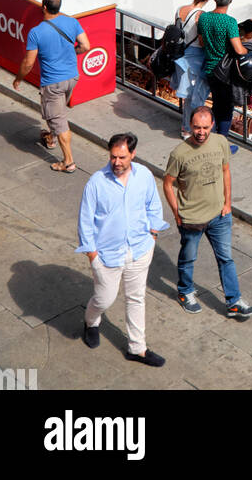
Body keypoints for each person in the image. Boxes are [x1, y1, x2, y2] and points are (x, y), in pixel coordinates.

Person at [77, 132, 168, 365]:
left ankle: (137, 348)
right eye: (113, 157)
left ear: (133, 154)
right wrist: (92, 255)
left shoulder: (144, 176)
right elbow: (85, 221)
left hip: (140, 250)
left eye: (122, 157)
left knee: (136, 298)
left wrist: (153, 234)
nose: (117, 162)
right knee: (104, 299)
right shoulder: (96, 182)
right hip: (107, 255)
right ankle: (91, 321)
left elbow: (153, 206)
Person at [162, 107, 252, 319]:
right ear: (190, 126)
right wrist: (177, 214)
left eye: (205, 127)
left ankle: (234, 302)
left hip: (219, 215)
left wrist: (227, 204)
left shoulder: (220, 142)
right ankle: (185, 291)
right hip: (192, 218)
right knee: (188, 258)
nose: (201, 132)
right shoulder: (179, 154)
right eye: (197, 127)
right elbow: (167, 184)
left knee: (226, 259)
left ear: (212, 125)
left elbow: (225, 171)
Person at [12, 0, 89, 173]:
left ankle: (68, 162)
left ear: (44, 7)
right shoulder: (72, 22)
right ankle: (51, 137)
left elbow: (28, 62)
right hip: (72, 78)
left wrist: (18, 79)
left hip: (52, 82)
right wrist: (72, 53)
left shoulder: (36, 32)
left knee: (59, 119)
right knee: (57, 111)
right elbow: (86, 46)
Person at [197, 0, 247, 142]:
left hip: (209, 68)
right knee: (225, 109)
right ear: (230, 0)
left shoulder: (204, 17)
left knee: (217, 105)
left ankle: (211, 138)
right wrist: (249, 51)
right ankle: (222, 145)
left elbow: (201, 42)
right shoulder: (230, 22)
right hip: (225, 72)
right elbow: (239, 50)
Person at [173, 0, 212, 137]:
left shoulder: (179, 9)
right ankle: (189, 128)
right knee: (193, 95)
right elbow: (201, 41)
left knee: (188, 95)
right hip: (195, 56)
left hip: (180, 54)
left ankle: (187, 126)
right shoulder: (201, 15)